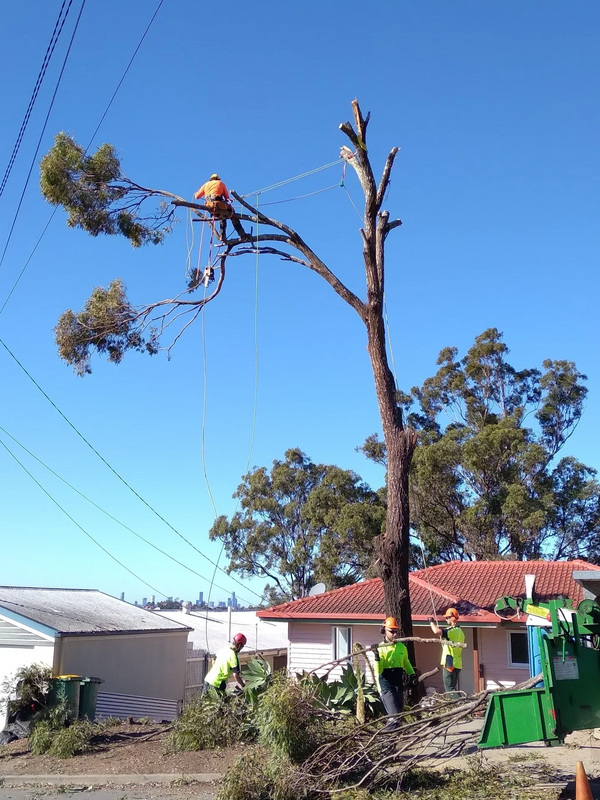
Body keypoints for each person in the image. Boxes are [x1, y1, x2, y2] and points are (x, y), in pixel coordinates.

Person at [372, 616, 418, 727]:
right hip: (385, 684)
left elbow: (406, 663)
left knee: (399, 717)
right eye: (391, 631)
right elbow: (378, 671)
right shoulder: (380, 648)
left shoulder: (401, 647)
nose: (394, 634)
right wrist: (377, 657)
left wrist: (412, 675)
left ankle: (392, 740)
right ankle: (386, 741)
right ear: (384, 631)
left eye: (396, 631)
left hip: (398, 683)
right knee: (394, 717)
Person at [194, 174, 246, 238]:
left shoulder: (206, 184)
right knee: (232, 214)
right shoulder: (221, 183)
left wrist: (195, 194)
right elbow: (227, 198)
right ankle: (242, 234)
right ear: (217, 178)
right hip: (218, 204)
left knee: (222, 216)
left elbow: (197, 196)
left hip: (210, 206)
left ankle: (222, 236)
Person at [428, 608, 465, 696]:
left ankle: (460, 703)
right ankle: (459, 703)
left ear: (452, 618)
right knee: (453, 687)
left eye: (447, 618)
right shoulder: (461, 632)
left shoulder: (451, 631)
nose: (446, 619)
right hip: (457, 663)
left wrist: (431, 622)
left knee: (449, 688)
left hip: (450, 662)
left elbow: (437, 631)